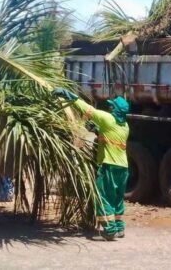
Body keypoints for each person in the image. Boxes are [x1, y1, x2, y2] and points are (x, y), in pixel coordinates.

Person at [54, 89, 130, 240]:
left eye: (112, 106)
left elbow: (86, 109)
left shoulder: (107, 119)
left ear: (115, 110)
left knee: (103, 196)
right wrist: (97, 131)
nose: (110, 108)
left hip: (109, 166)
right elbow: (110, 137)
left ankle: (110, 229)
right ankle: (120, 227)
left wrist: (69, 96)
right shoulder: (125, 126)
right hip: (123, 168)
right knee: (117, 198)